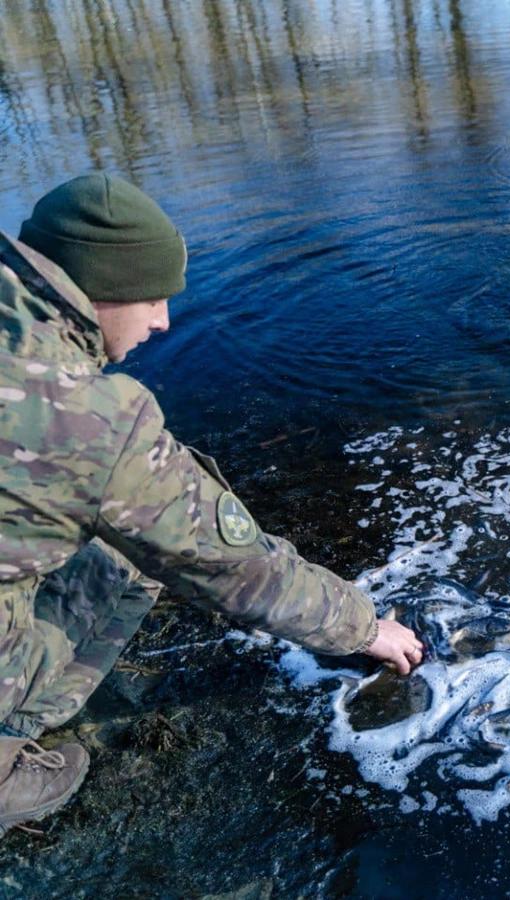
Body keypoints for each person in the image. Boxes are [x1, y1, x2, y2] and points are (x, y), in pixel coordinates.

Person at [0, 173, 424, 832]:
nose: (164, 321)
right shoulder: (87, 419)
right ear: (102, 288)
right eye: (153, 299)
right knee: (127, 553)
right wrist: (365, 627)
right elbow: (234, 569)